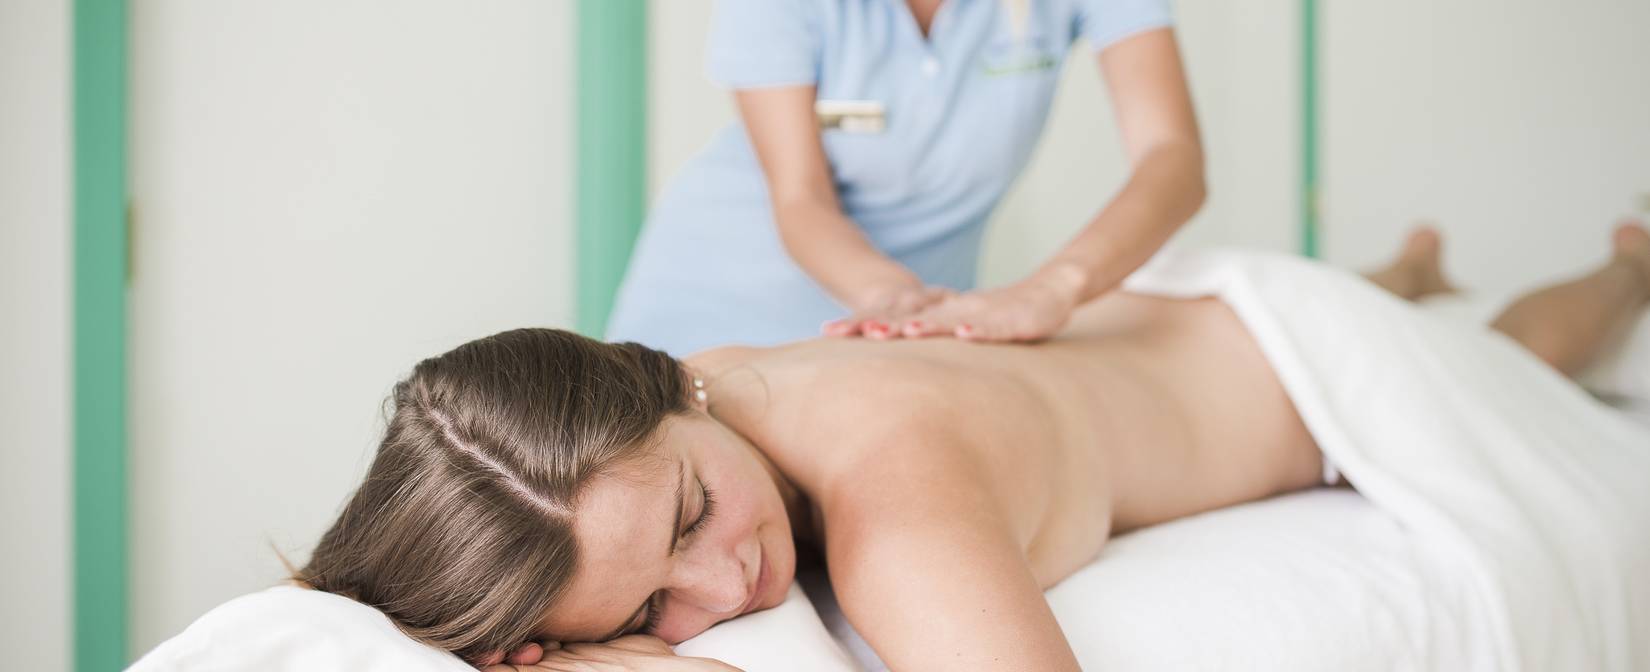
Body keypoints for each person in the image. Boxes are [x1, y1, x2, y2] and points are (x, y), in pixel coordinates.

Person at [297, 225, 1650, 671]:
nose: (723, 591)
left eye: (690, 524)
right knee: (1377, 293)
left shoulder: (901, 518)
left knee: (1521, 359)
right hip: (1159, 319)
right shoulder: (673, 403)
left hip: (1307, 375)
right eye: (652, 611)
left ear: (668, 399)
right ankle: (1397, 269)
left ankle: (1622, 262)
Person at [606, 0, 1205, 354]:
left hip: (908, 333)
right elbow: (800, 197)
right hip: (717, 303)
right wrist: (890, 296)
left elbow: (1173, 156)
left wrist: (1056, 287)